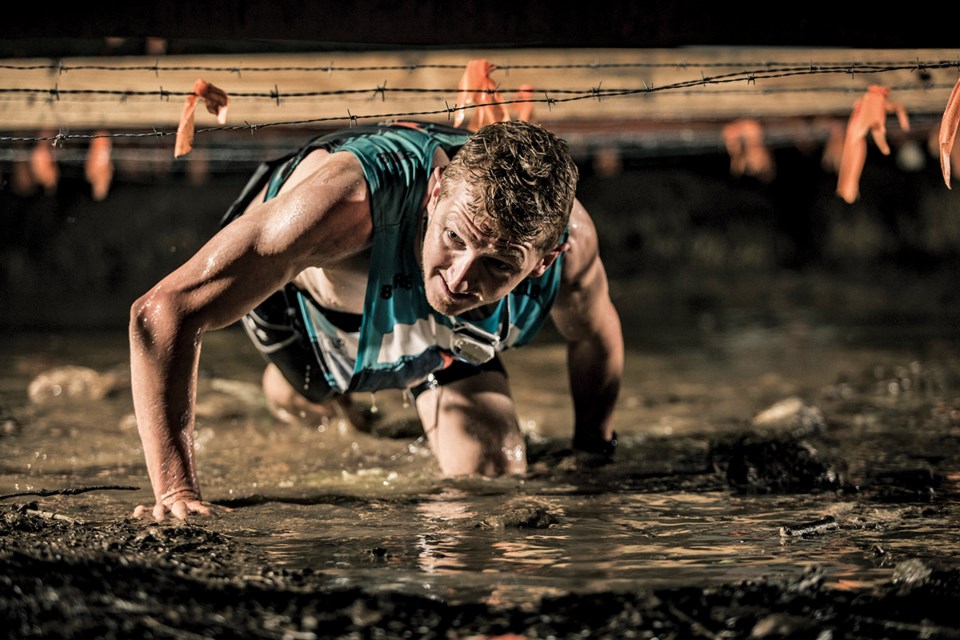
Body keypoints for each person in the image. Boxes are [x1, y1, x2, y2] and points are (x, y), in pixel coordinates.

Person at [130, 119, 624, 521]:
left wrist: (593, 455)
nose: (460, 276)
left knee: (493, 475)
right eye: (454, 238)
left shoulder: (572, 244)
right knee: (314, 391)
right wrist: (176, 492)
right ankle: (297, 391)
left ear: (544, 260)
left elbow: (595, 336)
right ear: (434, 195)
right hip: (306, 316)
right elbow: (164, 312)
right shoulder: (344, 203)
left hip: (443, 335)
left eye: (499, 264)